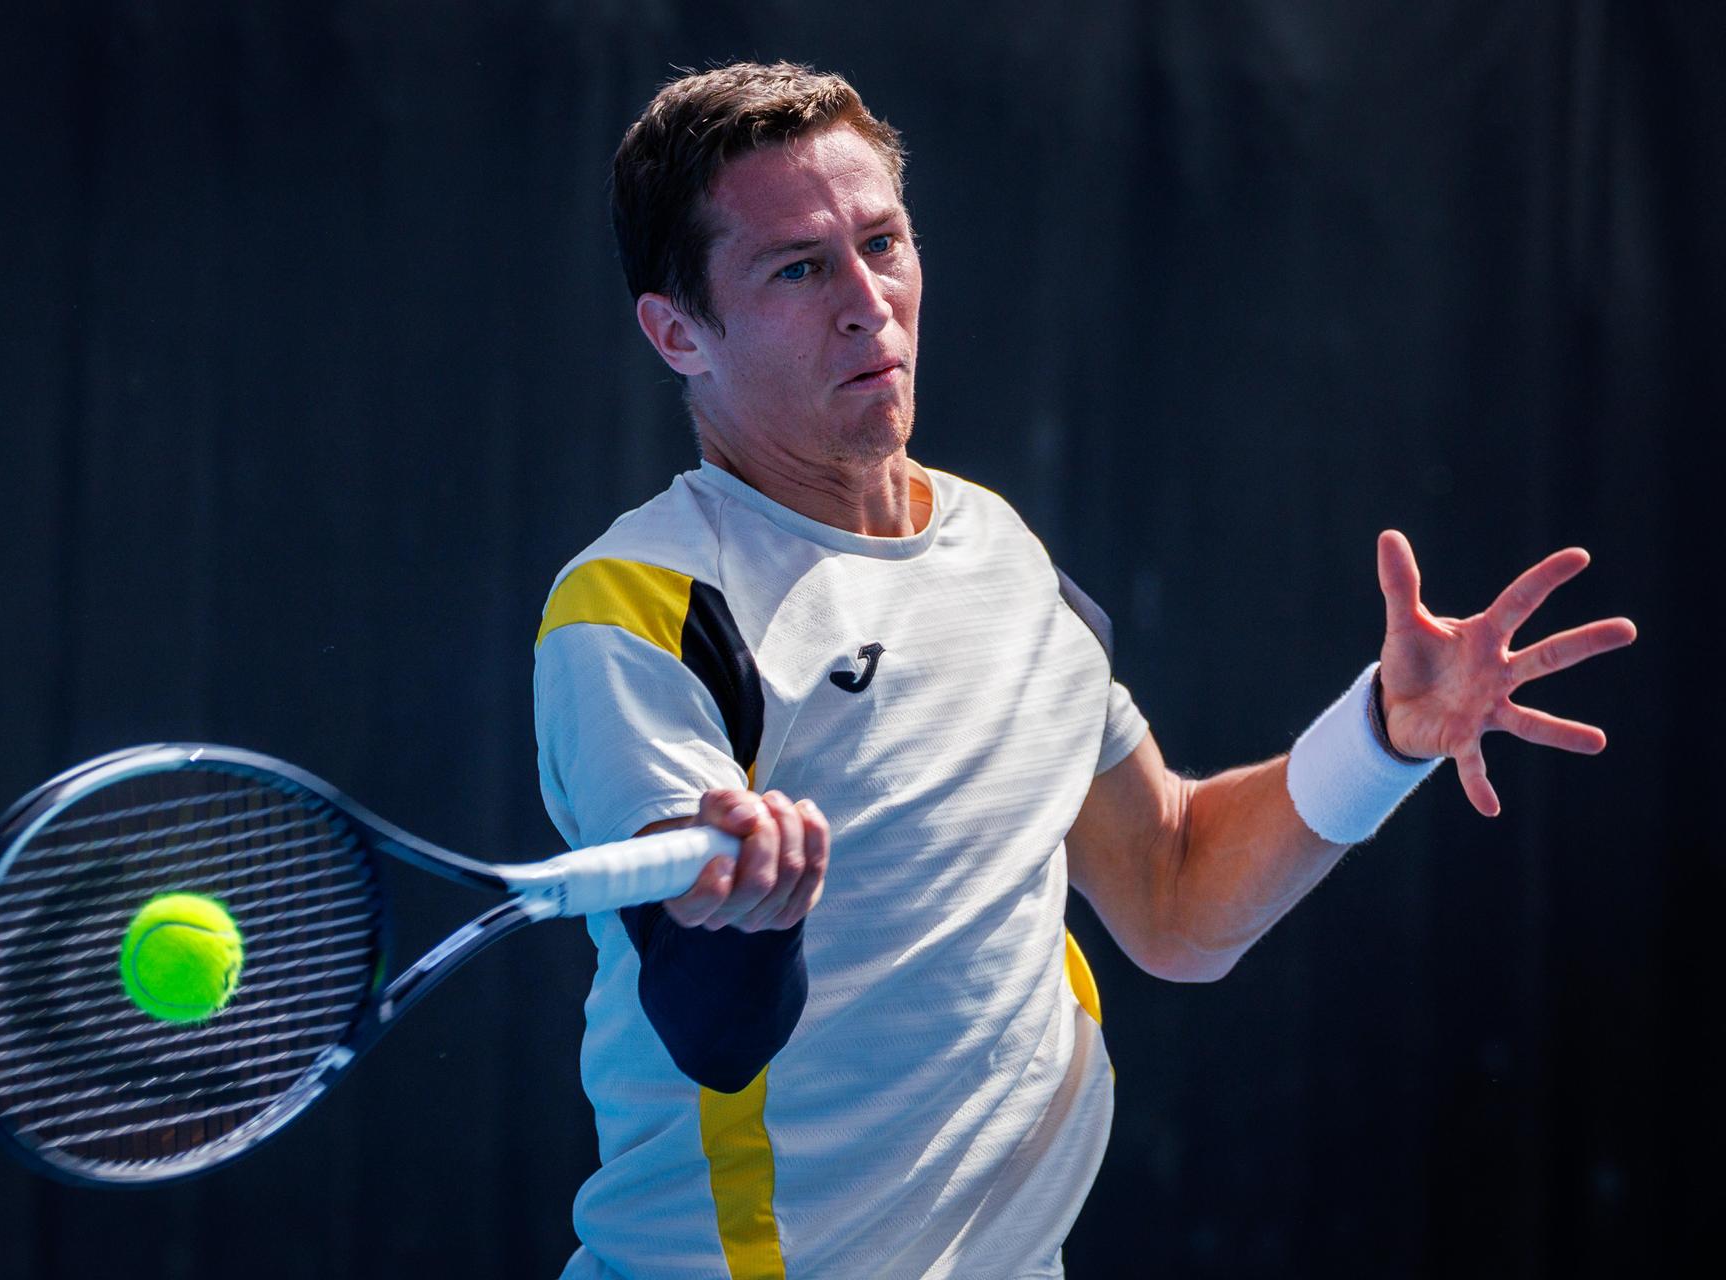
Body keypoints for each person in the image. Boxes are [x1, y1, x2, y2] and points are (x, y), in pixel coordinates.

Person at [531, 62, 1635, 1280]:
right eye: (799, 267)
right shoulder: (635, 610)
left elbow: (1172, 891)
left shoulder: (1004, 554)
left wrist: (1381, 735)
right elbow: (714, 1026)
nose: (870, 304)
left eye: (884, 243)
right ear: (678, 329)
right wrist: (751, 918)